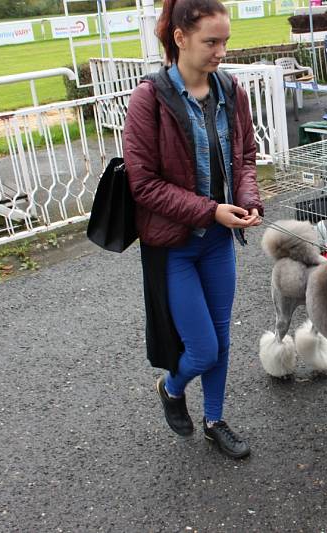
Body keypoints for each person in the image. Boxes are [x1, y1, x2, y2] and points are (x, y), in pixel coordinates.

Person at [122, 0, 263, 458]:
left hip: (219, 241)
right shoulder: (150, 100)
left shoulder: (230, 89)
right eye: (211, 42)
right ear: (179, 38)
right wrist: (210, 211)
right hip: (174, 246)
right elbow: (142, 184)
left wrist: (246, 201)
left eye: (225, 41)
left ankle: (215, 419)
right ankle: (172, 386)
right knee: (201, 349)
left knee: (221, 338)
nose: (221, 51)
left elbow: (244, 156)